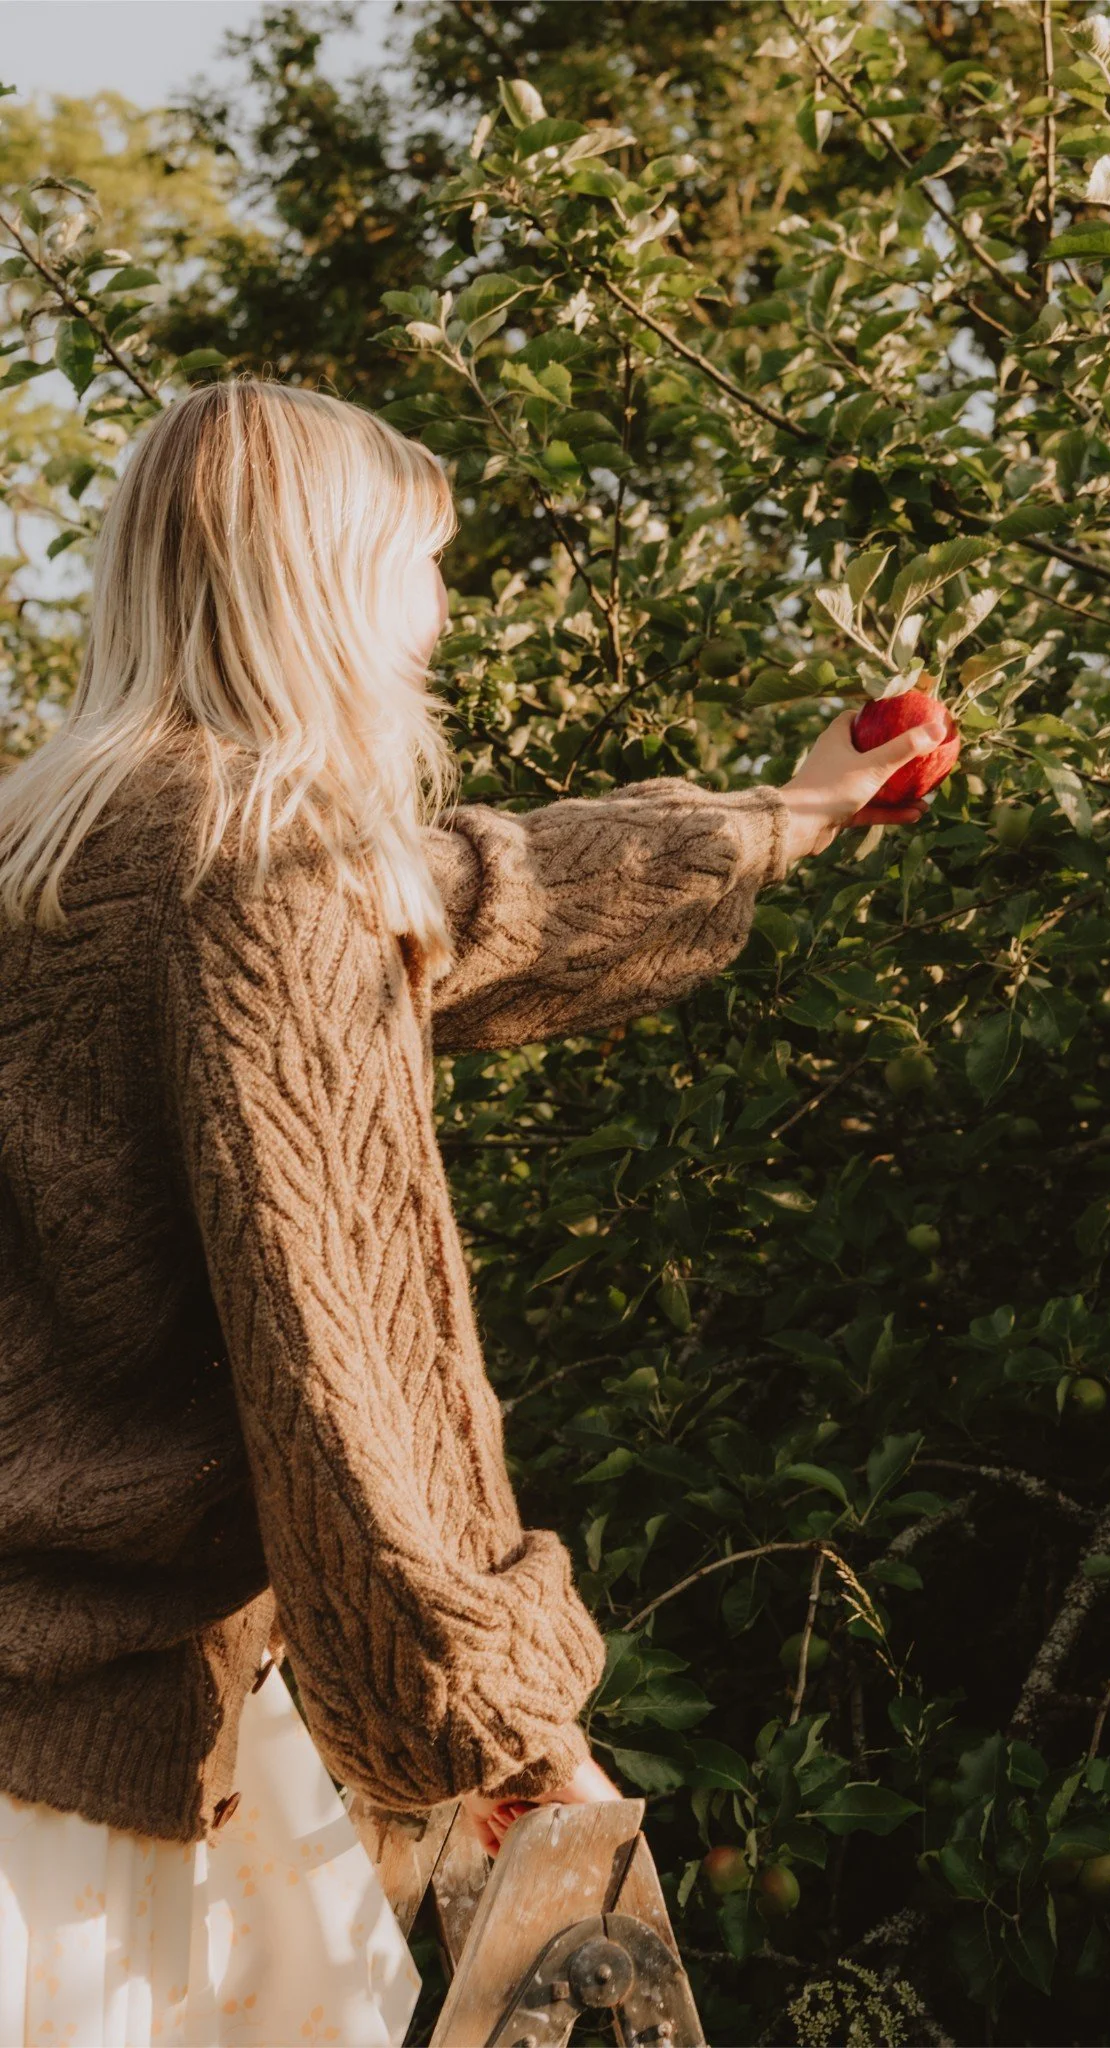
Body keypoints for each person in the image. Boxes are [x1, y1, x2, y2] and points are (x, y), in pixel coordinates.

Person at [0, 378, 933, 2046]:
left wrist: (790, 816)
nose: (442, 609)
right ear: (335, 581)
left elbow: (473, 894)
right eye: (424, 565)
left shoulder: (51, 850)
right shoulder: (268, 874)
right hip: (65, 1789)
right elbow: (338, 1360)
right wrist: (498, 1726)